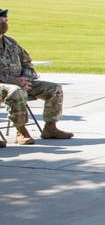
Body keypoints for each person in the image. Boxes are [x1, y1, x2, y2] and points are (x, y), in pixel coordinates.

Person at [0, 8, 74, 147]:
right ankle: (21, 131)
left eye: (5, 20)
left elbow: (27, 62)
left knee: (54, 89)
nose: (3, 23)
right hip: (6, 86)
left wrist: (25, 79)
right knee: (16, 91)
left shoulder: (11, 43)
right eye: (0, 20)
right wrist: (14, 81)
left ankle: (50, 128)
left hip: (21, 83)